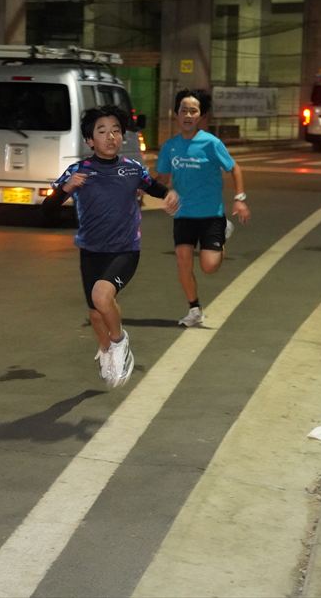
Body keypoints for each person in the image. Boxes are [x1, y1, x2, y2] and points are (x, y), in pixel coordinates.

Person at [43, 105, 179, 388]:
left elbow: (153, 186)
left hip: (125, 249)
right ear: (90, 140)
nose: (111, 136)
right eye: (102, 131)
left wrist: (168, 195)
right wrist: (67, 188)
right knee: (95, 313)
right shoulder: (78, 171)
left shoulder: (132, 169)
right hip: (91, 251)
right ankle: (106, 351)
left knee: (102, 296)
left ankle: (119, 343)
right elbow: (47, 209)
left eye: (116, 131)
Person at [156, 88, 251, 328]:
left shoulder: (211, 143)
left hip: (210, 215)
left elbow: (234, 168)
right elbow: (162, 178)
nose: (188, 115)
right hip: (183, 214)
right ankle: (194, 309)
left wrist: (239, 198)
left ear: (201, 116)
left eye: (193, 111)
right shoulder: (170, 147)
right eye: (184, 110)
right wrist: (146, 187)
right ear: (176, 114)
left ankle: (223, 231)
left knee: (209, 266)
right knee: (183, 261)